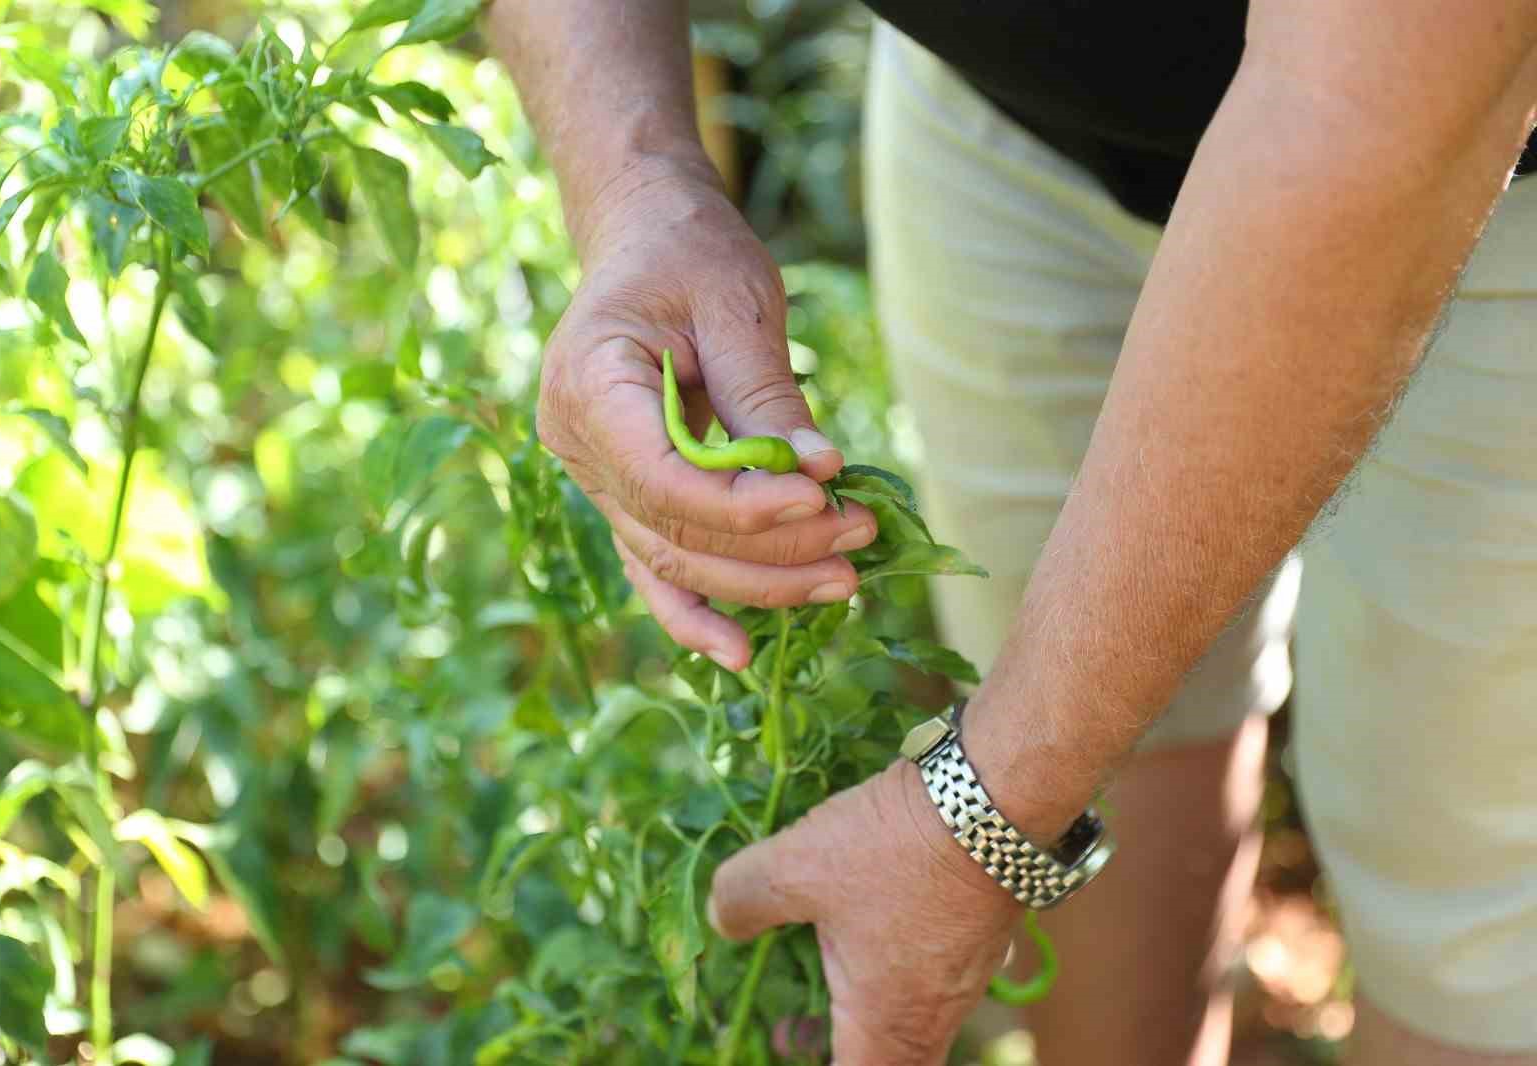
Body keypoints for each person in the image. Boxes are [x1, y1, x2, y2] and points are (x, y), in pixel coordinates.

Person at [485, 2, 1537, 1063]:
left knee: (1465, 941)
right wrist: (640, 191)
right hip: (1001, 108)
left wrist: (978, 812)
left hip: (1480, 155)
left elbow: (1365, 107)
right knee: (1092, 751)